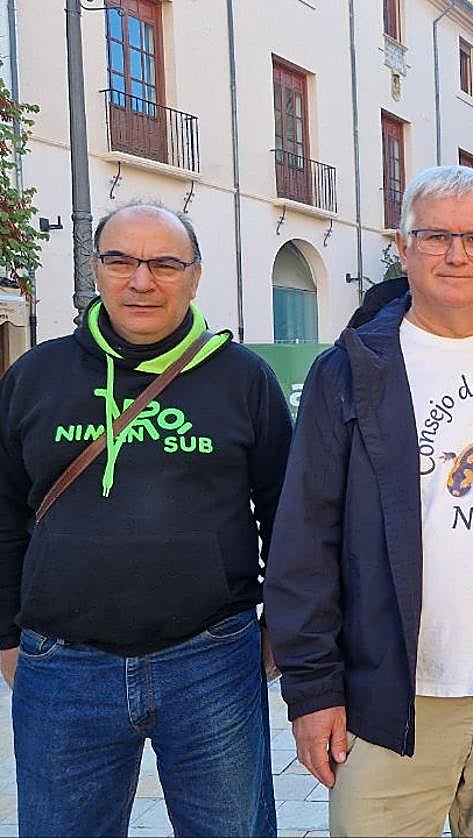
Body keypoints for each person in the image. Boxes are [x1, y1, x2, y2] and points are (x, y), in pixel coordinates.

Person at [264, 165, 473, 837]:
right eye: (435, 236)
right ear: (403, 247)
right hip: (390, 698)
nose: (456, 254)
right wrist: (313, 690)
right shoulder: (349, 369)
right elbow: (304, 540)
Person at [0, 203, 291, 836]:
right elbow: (3, 515)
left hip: (212, 661)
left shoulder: (244, 380)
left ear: (195, 276)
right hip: (62, 667)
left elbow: (285, 515)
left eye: (164, 263)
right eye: (120, 261)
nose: (141, 281)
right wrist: (6, 637)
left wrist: (281, 628)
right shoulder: (35, 377)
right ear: (95, 269)